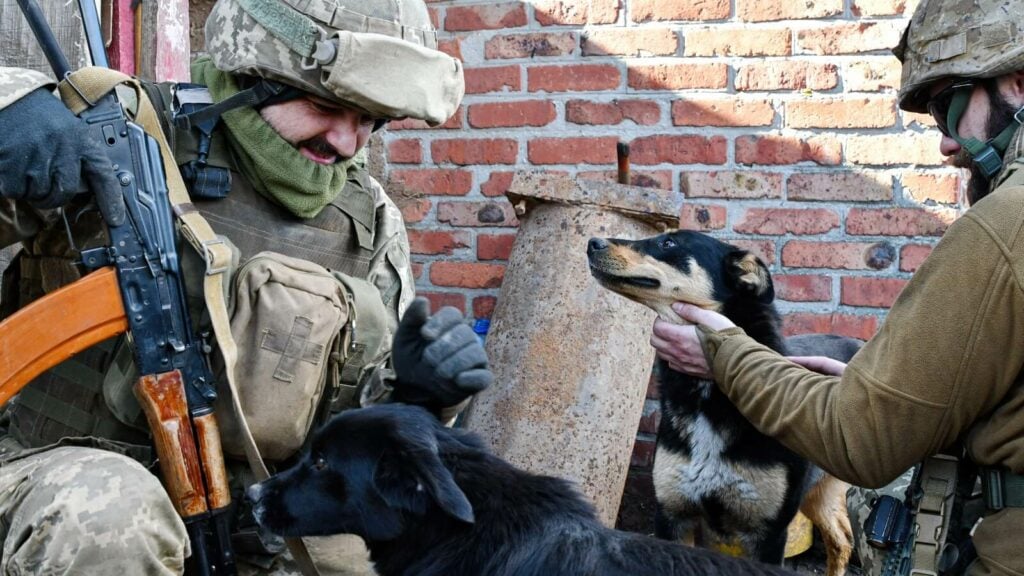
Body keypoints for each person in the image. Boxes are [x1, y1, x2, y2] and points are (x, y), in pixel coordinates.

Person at [0, 0, 487, 574]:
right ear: (256, 73)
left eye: (372, 121)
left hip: (248, 519)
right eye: (328, 106)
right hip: (44, 475)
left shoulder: (368, 220)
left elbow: (360, 430)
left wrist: (428, 395)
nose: (348, 142)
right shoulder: (113, 136)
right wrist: (11, 110)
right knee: (112, 514)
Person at [649, 0, 1024, 575]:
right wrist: (886, 389)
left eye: (949, 110)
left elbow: (863, 443)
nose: (947, 145)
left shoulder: (1005, 224)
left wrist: (723, 354)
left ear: (1017, 85)